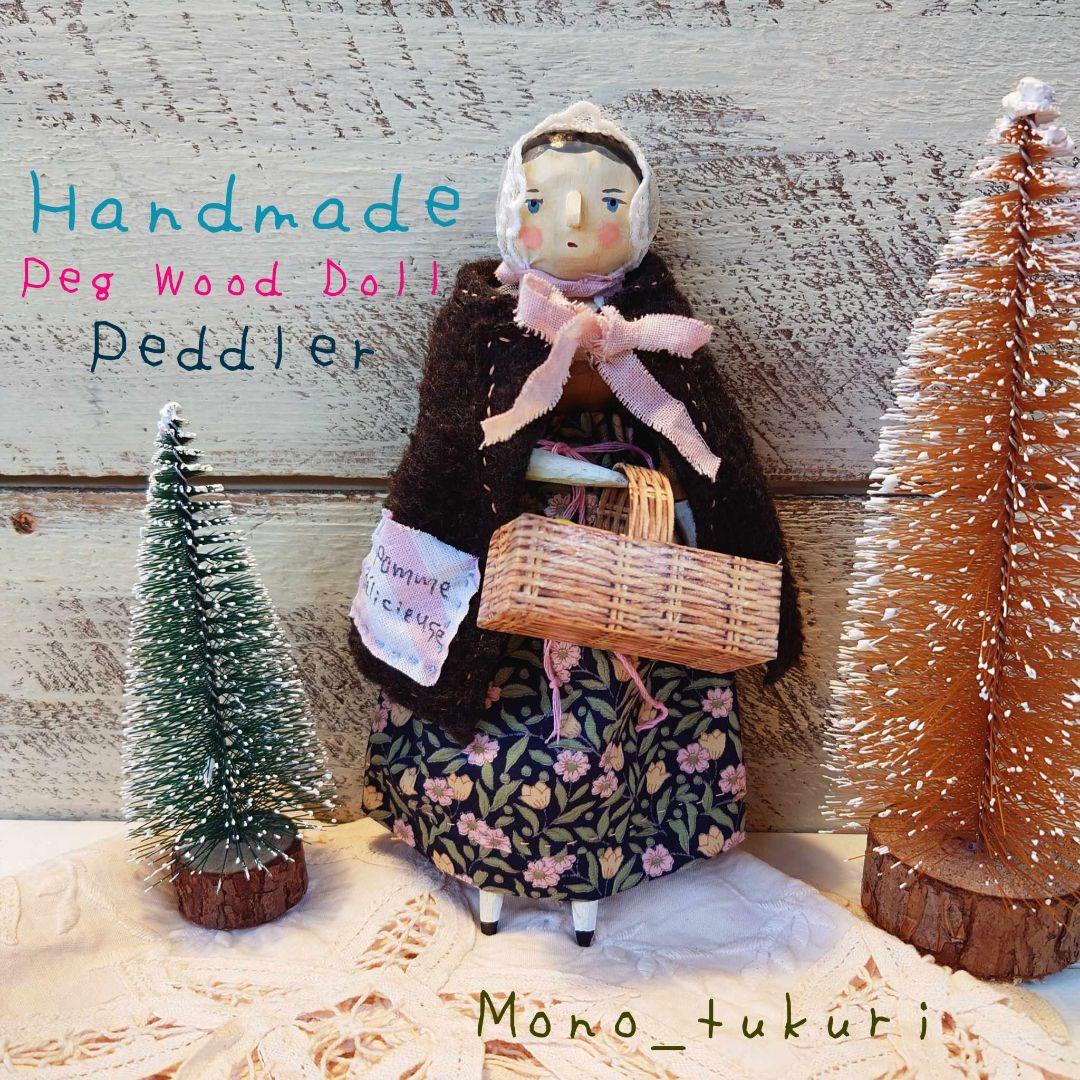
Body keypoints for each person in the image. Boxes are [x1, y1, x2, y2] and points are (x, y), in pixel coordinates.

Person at [349, 101, 803, 941]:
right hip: (505, 560)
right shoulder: (485, 322)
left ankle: (601, 870)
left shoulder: (655, 324)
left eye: (607, 203)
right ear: (509, 214)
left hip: (631, 560)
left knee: (617, 715)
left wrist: (677, 504)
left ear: (641, 217)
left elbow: (705, 449)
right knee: (487, 704)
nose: (572, 221)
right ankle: (480, 862)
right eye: (541, 202)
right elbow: (452, 454)